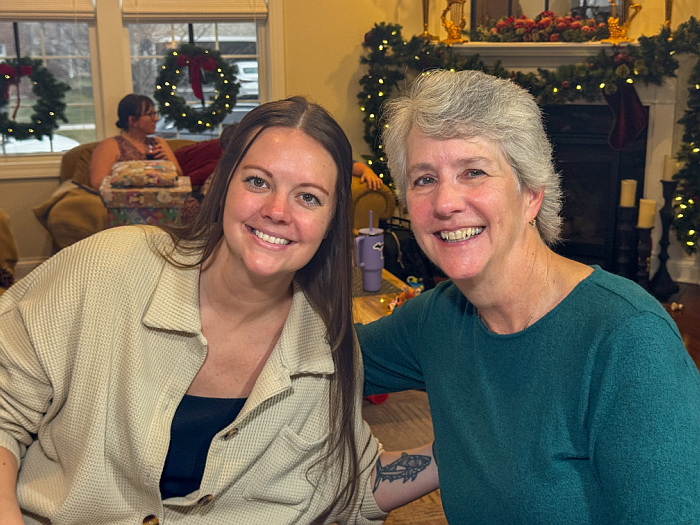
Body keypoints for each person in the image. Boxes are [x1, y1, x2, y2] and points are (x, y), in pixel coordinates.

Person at [0, 96, 437, 524]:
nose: (276, 211)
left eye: (308, 197)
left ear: (330, 222)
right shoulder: (110, 267)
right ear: (223, 184)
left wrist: (458, 448)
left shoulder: (328, 344)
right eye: (258, 182)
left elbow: (349, 485)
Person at [357, 70, 700, 523]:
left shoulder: (629, 340)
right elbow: (323, 361)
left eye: (473, 172)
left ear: (531, 194)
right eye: (424, 179)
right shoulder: (437, 318)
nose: (445, 203)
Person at [89, 94, 183, 191]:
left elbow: (180, 176)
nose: (156, 119)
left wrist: (169, 164)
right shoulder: (111, 145)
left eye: (155, 113)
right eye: (150, 114)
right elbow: (98, 182)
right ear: (133, 120)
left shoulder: (159, 142)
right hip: (127, 198)